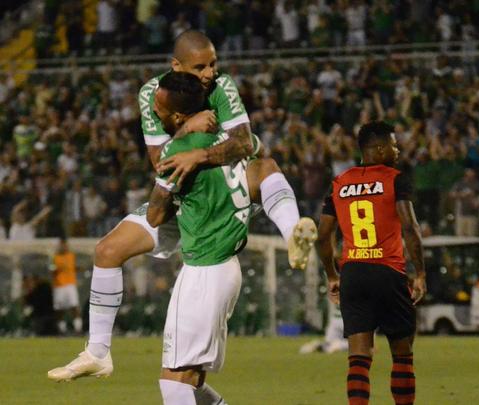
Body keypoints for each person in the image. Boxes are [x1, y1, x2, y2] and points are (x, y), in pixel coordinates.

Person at [48, 30, 316, 398]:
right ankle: (97, 352)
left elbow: (247, 144)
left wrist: (199, 151)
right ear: (176, 67)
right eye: (200, 66)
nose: (210, 72)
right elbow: (164, 162)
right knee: (108, 251)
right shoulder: (152, 93)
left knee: (265, 165)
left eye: (213, 64)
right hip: (182, 200)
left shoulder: (222, 86)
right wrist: (191, 132)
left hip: (216, 204)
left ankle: (293, 237)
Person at [144, 71, 310, 405]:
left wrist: (170, 180)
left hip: (205, 268)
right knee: (192, 381)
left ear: (177, 116)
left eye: (158, 109)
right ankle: (289, 225)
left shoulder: (177, 152)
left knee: (175, 382)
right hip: (225, 268)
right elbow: (257, 152)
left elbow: (155, 216)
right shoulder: (227, 140)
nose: (154, 113)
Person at [316, 121, 426, 405]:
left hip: (353, 273)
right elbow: (411, 228)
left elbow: (323, 235)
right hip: (388, 272)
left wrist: (332, 275)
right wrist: (420, 273)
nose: (398, 149)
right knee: (402, 354)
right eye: (393, 144)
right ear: (378, 149)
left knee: (359, 357)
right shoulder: (394, 178)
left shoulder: (339, 183)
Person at [51, 238, 83, 335]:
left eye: (65, 245)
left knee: (75, 307)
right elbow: (51, 270)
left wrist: (79, 269)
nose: (64, 247)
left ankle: (78, 329)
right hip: (59, 286)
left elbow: (74, 267)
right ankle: (62, 330)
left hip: (70, 285)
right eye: (62, 245)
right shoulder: (54, 257)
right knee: (60, 309)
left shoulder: (71, 256)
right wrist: (57, 269)